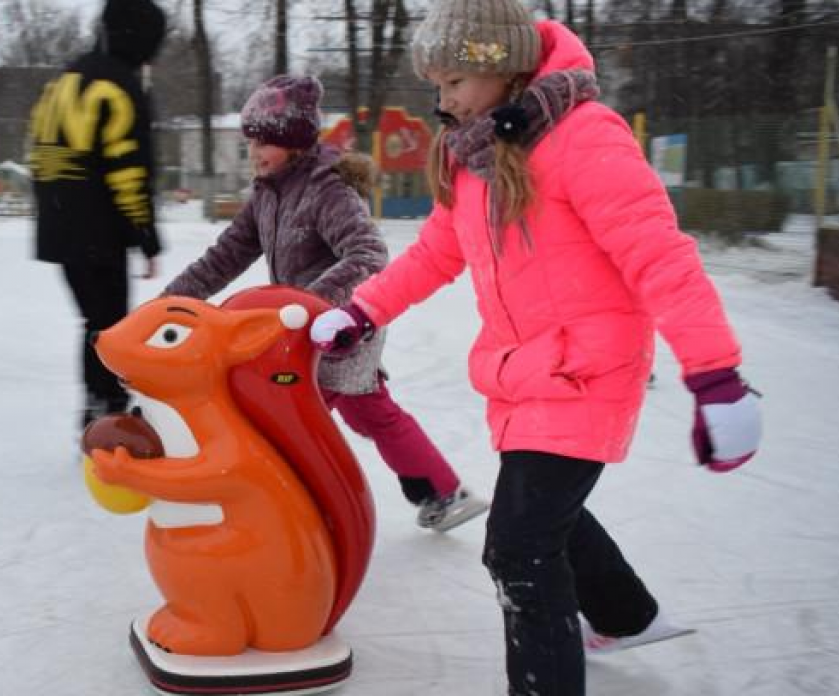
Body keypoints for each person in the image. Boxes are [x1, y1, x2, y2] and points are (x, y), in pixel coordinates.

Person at [309, 3, 763, 694]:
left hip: (589, 370)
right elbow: (436, 252)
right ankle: (626, 613)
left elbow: (659, 258)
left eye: (455, 80)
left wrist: (715, 374)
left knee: (519, 546)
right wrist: (363, 309)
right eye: (437, 83)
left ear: (505, 68)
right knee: (549, 513)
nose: (444, 99)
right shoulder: (474, 155)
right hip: (525, 375)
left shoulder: (586, 137)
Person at [163, 75, 487, 532]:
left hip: (340, 329)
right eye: (251, 142)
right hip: (303, 332)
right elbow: (225, 257)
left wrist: (306, 305)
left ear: (295, 143)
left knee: (288, 427)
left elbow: (368, 255)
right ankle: (442, 491)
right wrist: (170, 306)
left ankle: (296, 514)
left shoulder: (326, 189)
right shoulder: (267, 194)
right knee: (371, 411)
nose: (254, 153)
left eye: (265, 143)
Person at [29, 0, 166, 428]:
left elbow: (38, 152)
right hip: (97, 226)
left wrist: (56, 210)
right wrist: (144, 232)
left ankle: (97, 404)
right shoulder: (118, 87)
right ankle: (106, 410)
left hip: (59, 222)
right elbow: (128, 169)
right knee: (109, 324)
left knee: (96, 320)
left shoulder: (65, 79)